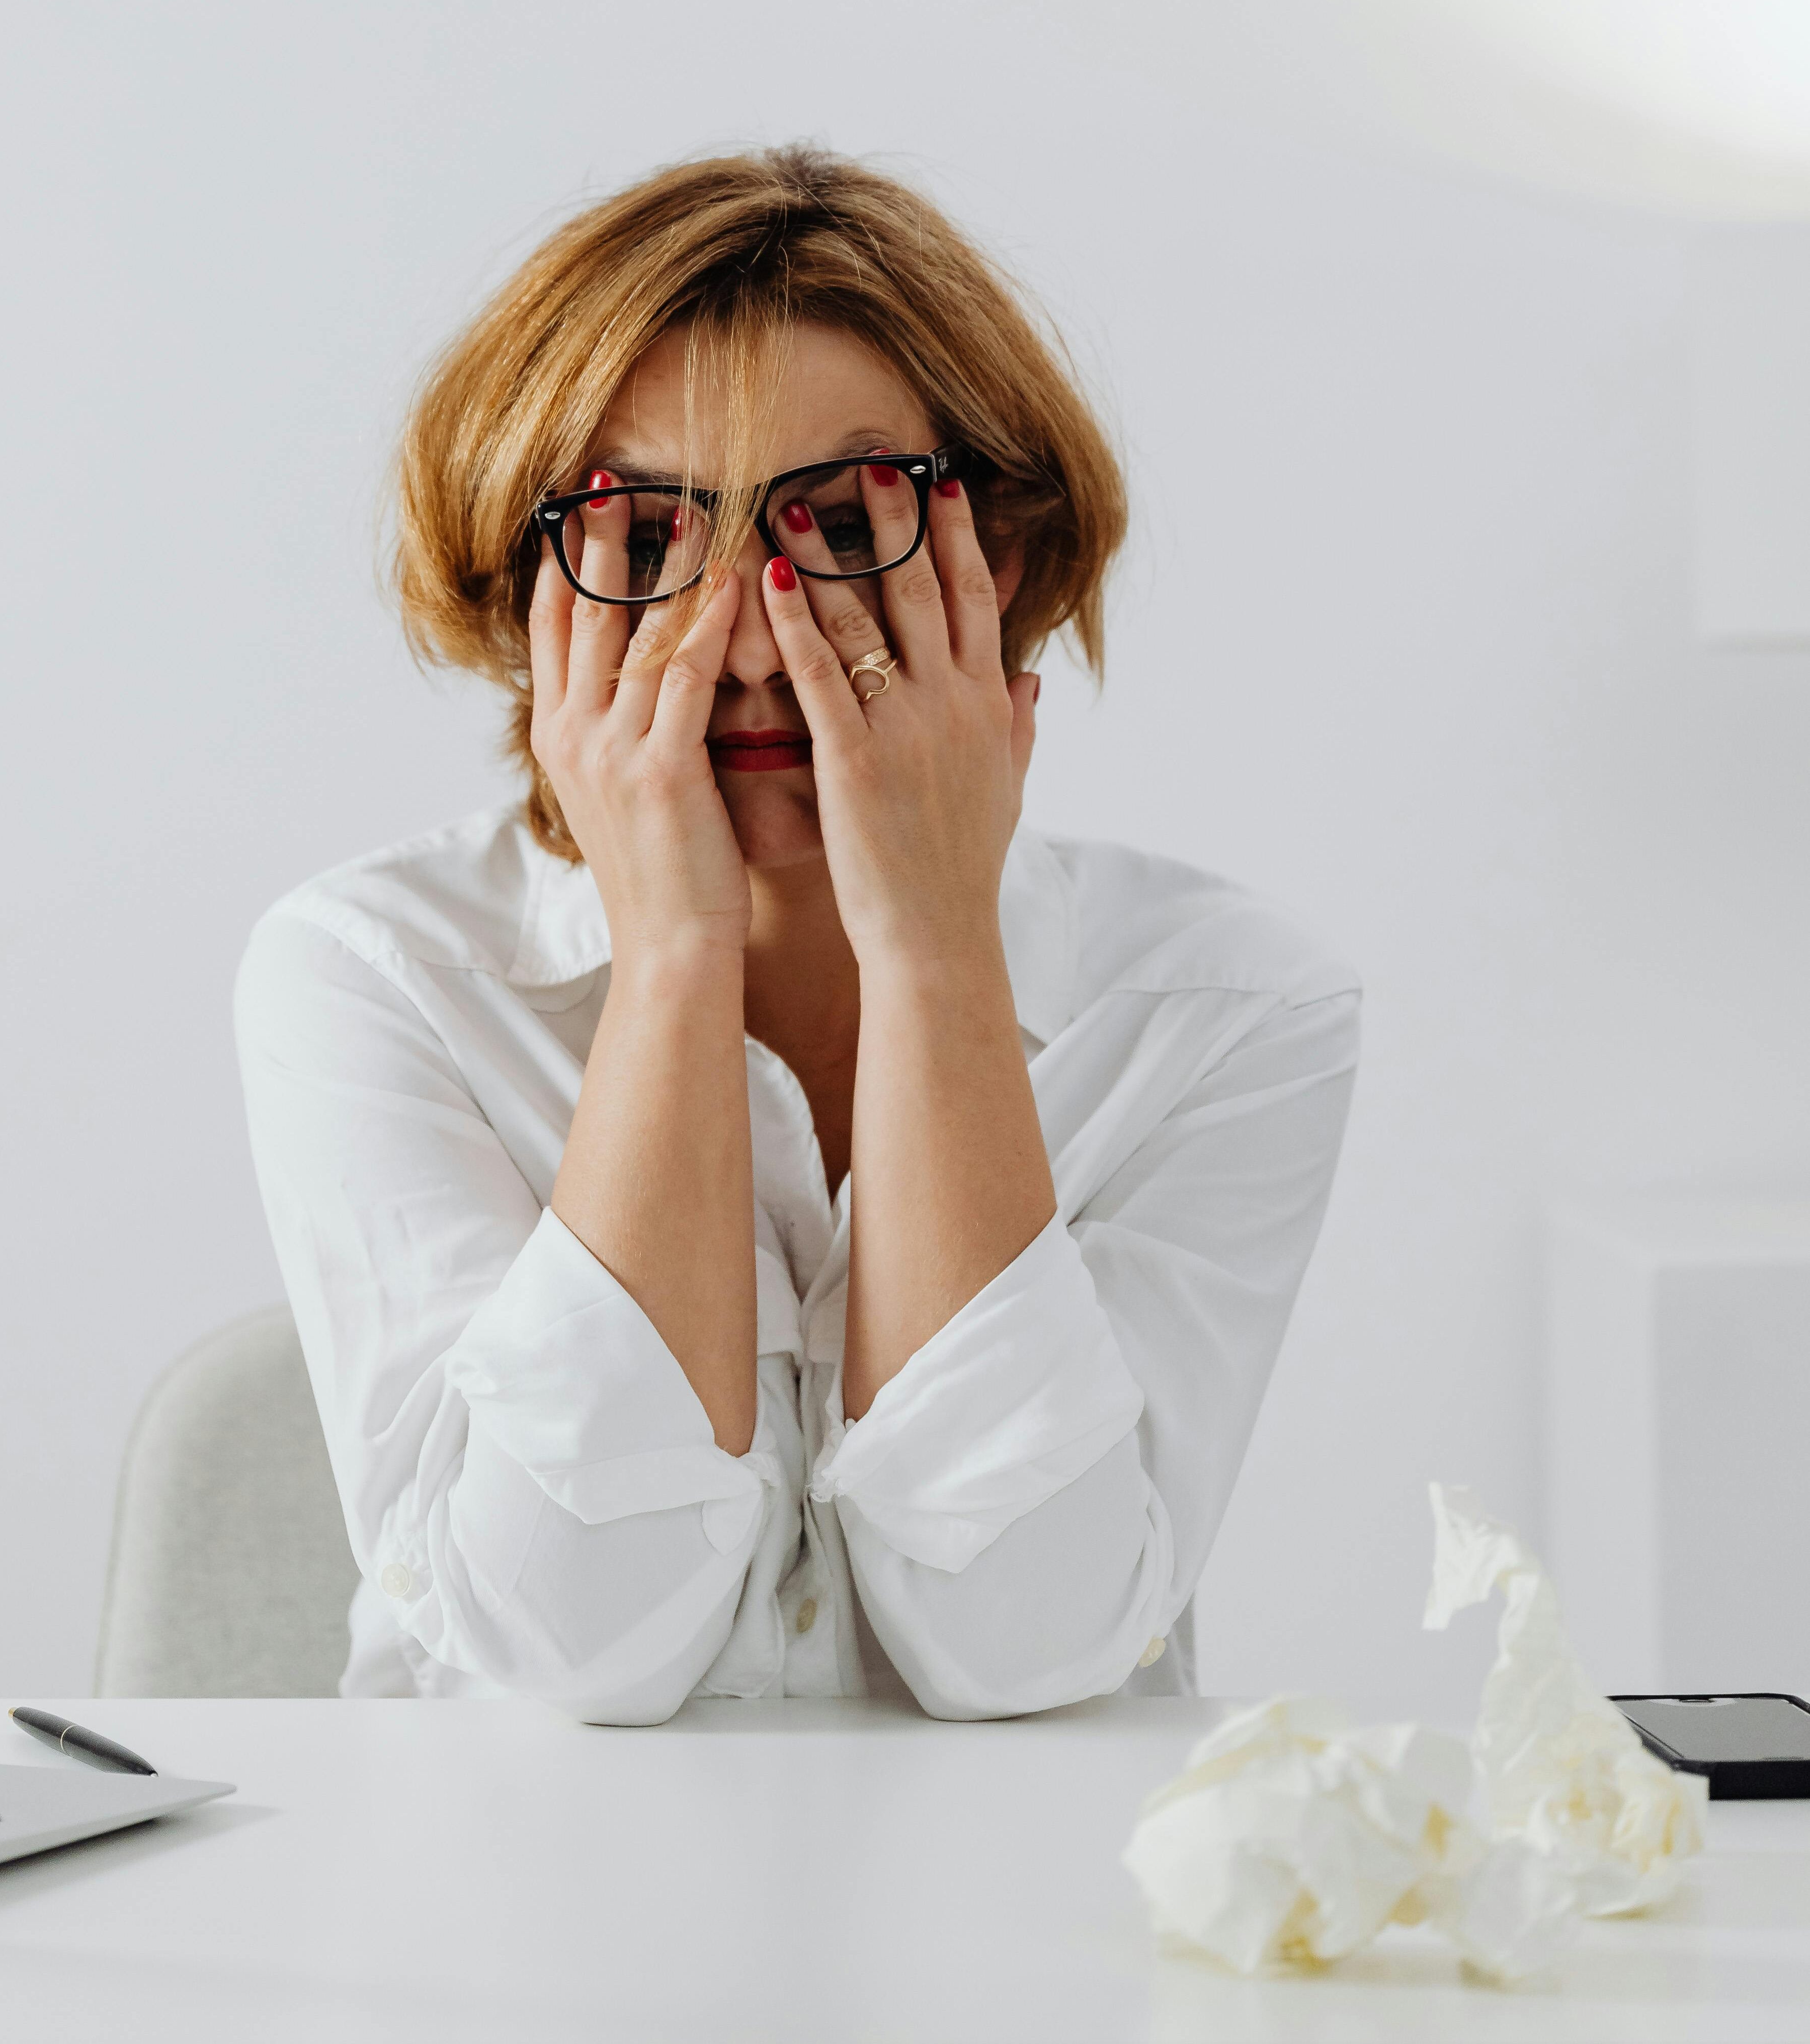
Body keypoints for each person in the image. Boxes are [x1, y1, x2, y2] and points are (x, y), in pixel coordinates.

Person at [236, 146, 1359, 1723]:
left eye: (840, 523)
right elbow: (573, 1650)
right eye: (642, 534)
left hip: (1018, 1881)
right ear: (527, 585)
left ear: (999, 561)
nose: (755, 646)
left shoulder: (1221, 1009)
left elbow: (1024, 1647)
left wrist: (934, 954)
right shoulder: (378, 975)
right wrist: (672, 960)